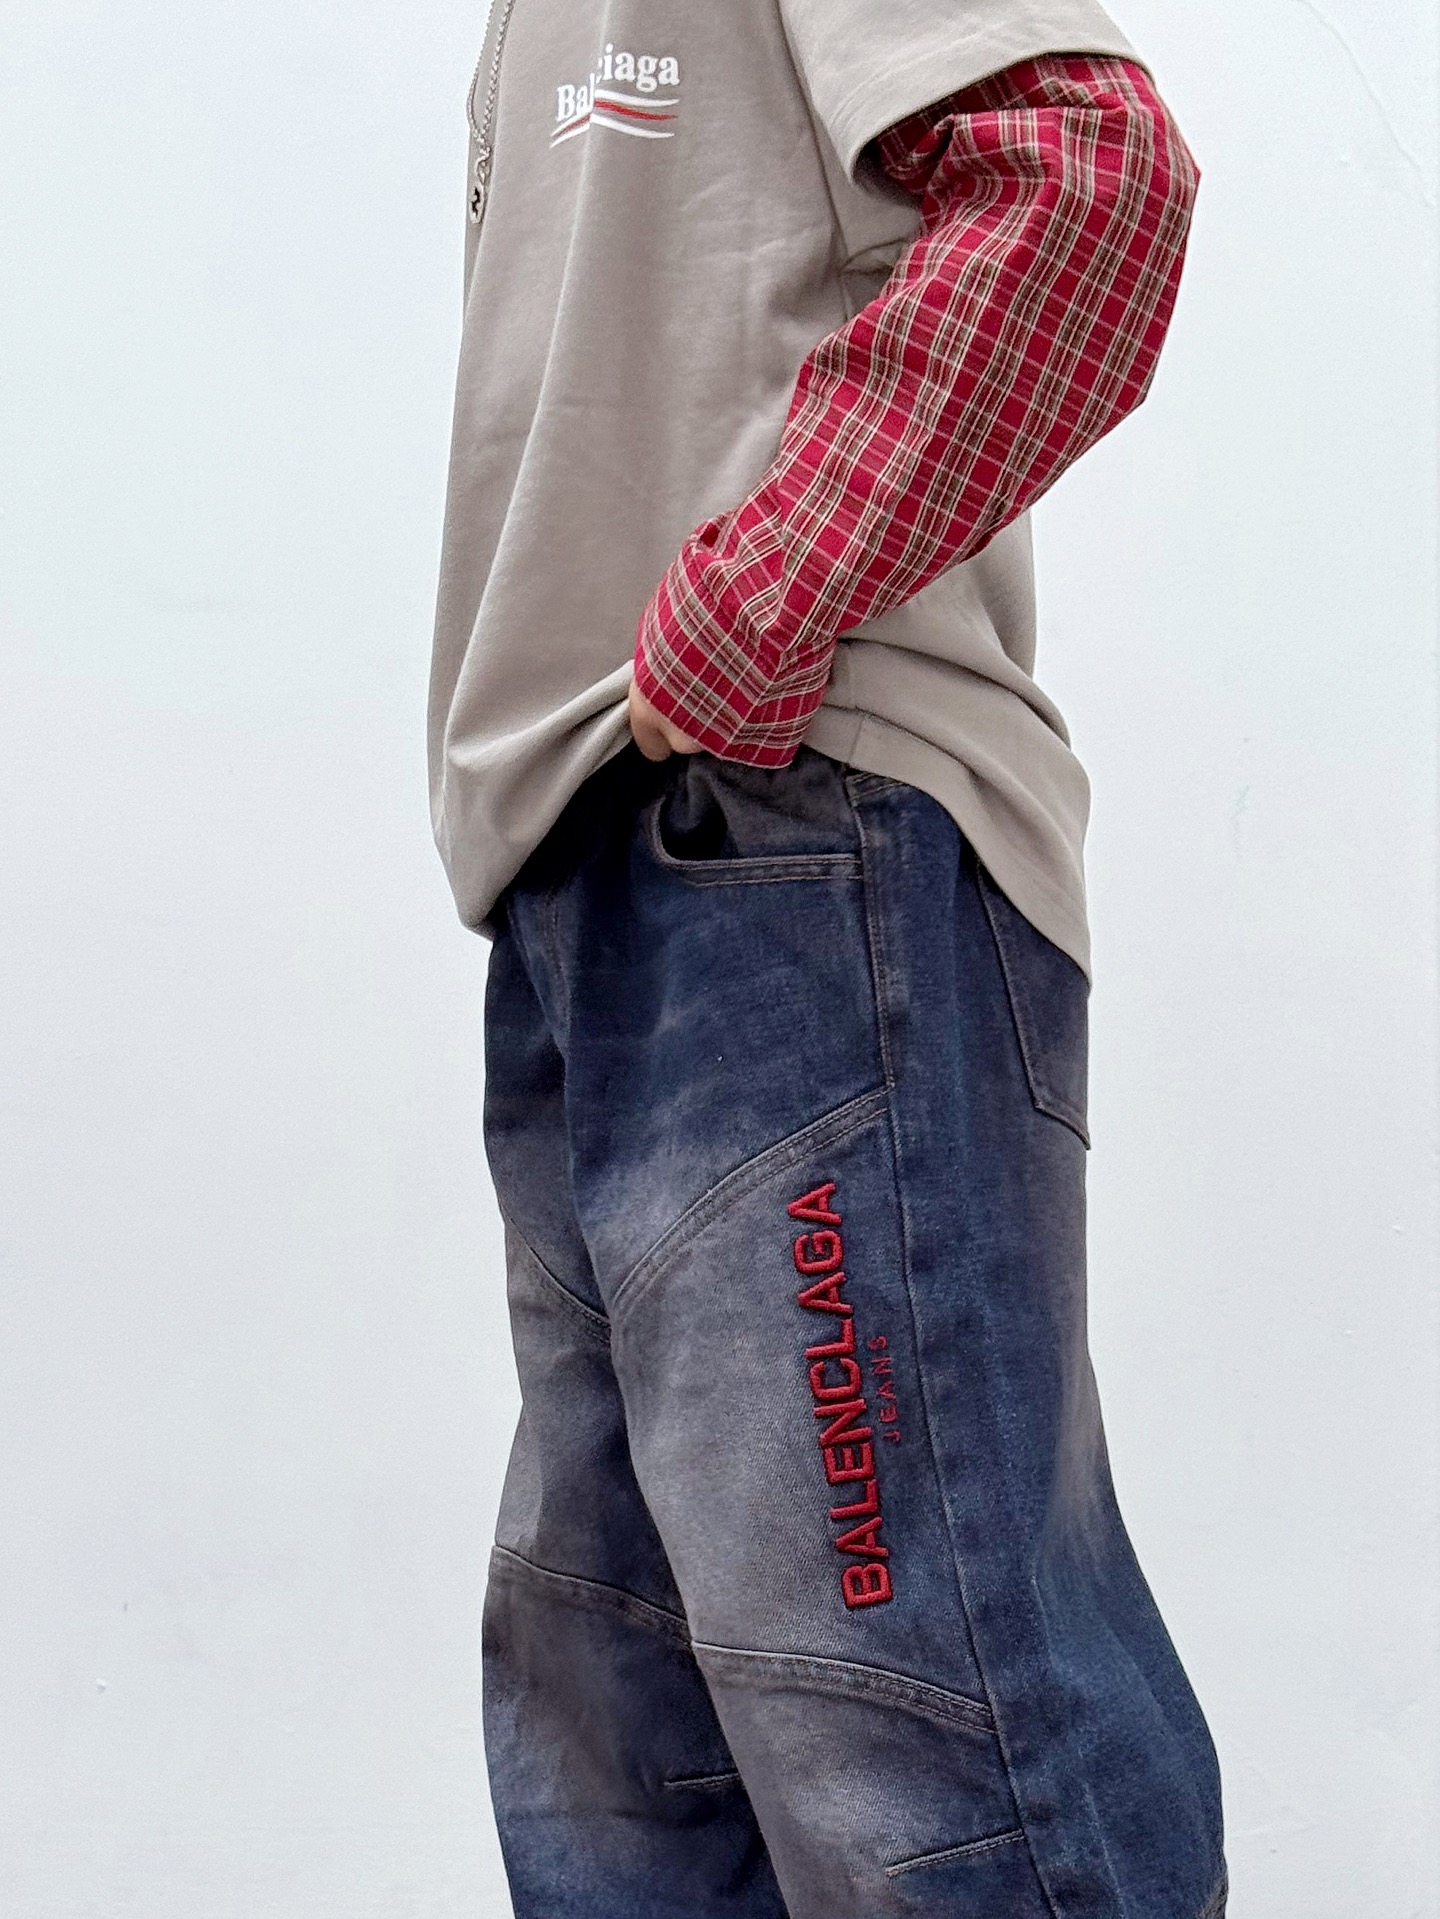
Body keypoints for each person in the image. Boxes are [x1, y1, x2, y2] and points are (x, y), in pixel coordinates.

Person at [428, 1, 1225, 1913]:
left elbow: (1089, 181)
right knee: (626, 1761)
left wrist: (752, 612)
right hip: (578, 869)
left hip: (786, 844)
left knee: (933, 1761)